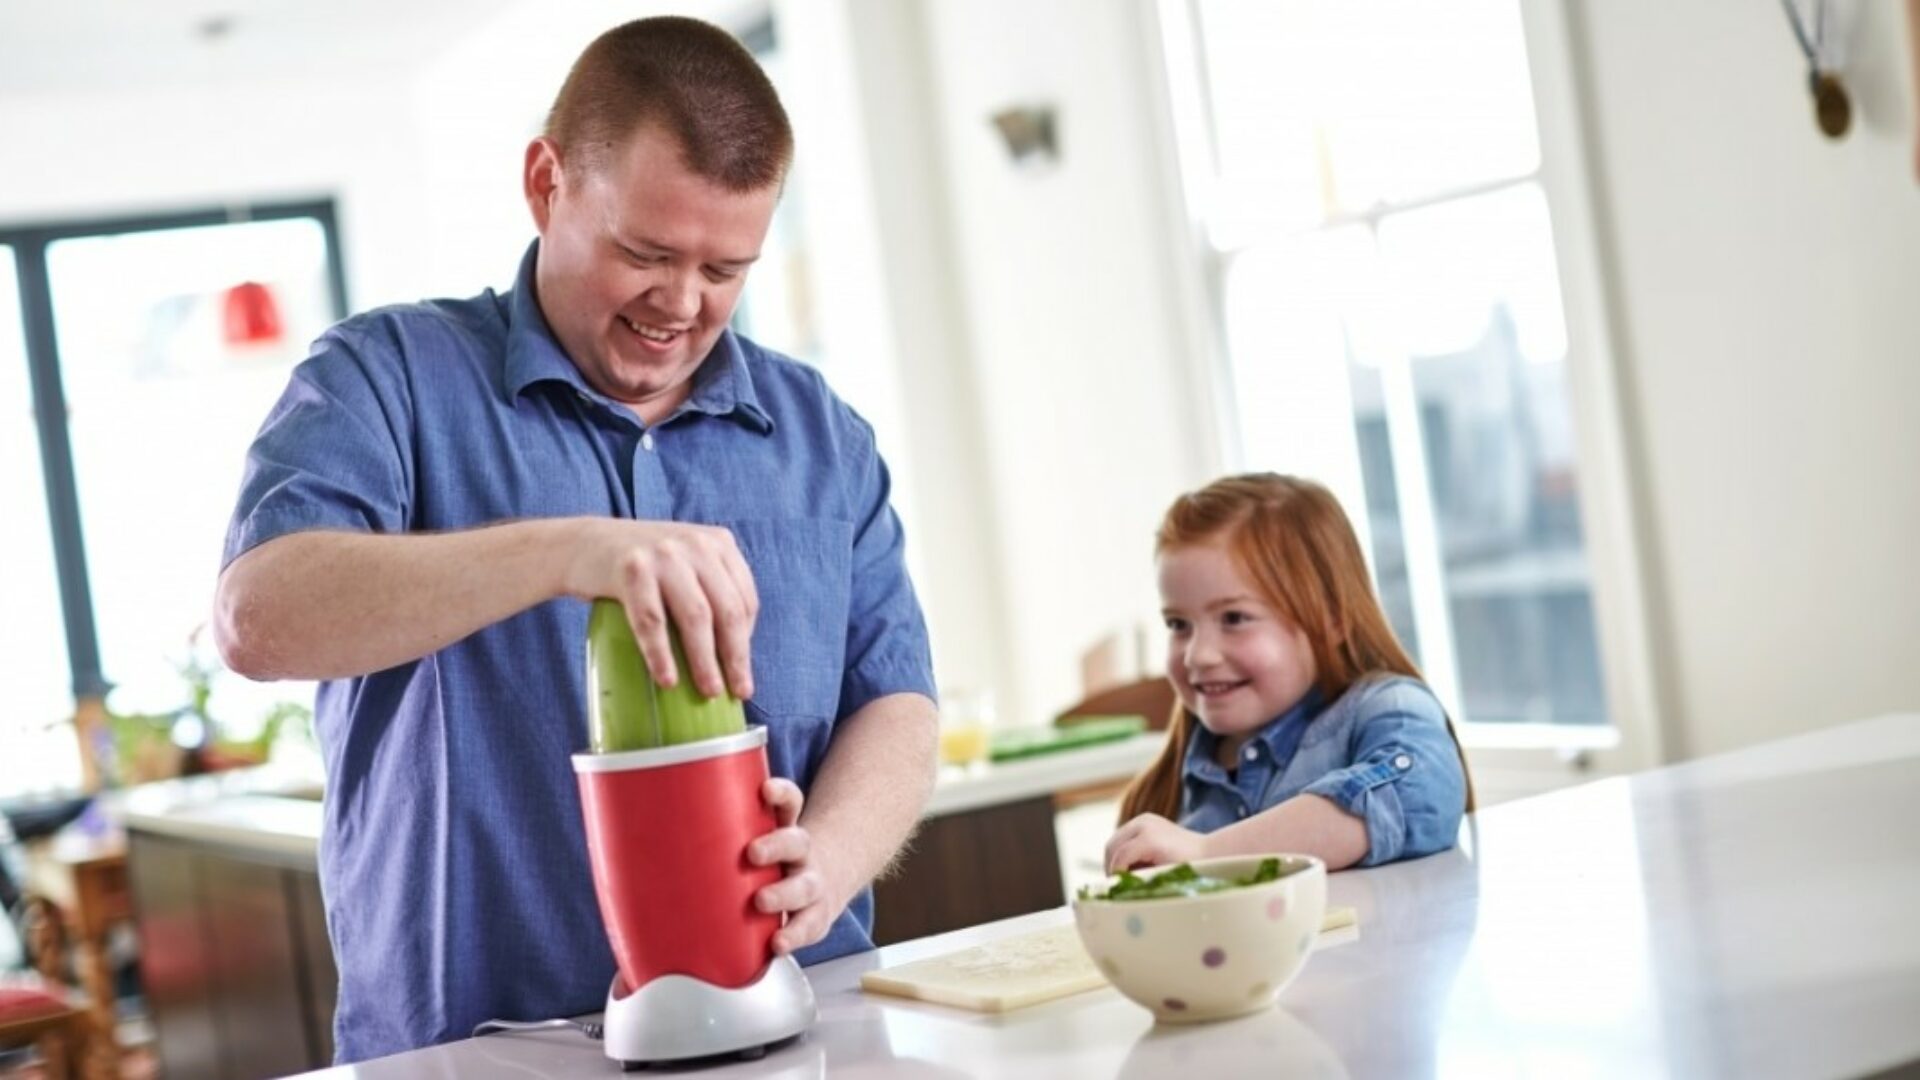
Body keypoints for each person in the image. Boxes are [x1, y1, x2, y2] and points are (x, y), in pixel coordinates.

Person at [212, 17, 938, 1063]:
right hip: (472, 1051)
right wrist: (566, 553)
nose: (682, 305)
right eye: (645, 253)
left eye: (726, 269)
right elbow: (260, 617)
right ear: (546, 184)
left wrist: (826, 858)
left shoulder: (823, 435)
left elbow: (897, 699)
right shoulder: (385, 379)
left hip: (796, 1029)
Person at [1104, 473, 1470, 875]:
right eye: (1178, 624)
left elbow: (1418, 790)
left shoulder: (1387, 708)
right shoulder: (1161, 797)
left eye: (1234, 618)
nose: (1199, 655)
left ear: (1330, 618)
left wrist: (1207, 854)